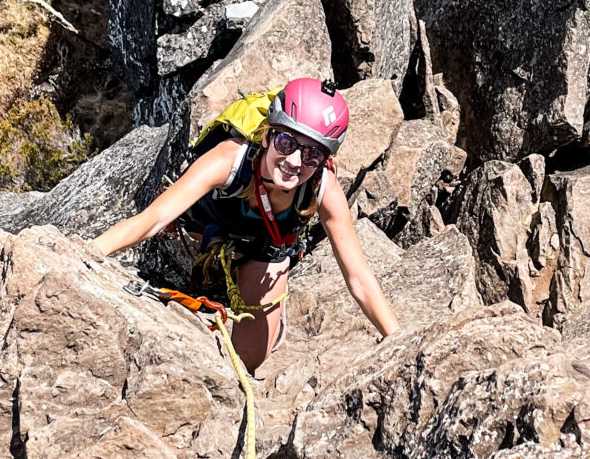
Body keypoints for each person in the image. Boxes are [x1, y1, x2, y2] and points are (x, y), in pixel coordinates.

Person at [91, 77, 400, 372]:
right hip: (206, 226)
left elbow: (358, 277)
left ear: (324, 160)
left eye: (312, 154)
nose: (294, 161)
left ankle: (256, 297)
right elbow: (153, 219)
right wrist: (89, 254)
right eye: (285, 141)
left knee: (247, 361)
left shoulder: (323, 188)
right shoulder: (228, 161)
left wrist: (400, 344)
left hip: (263, 245)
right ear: (266, 136)